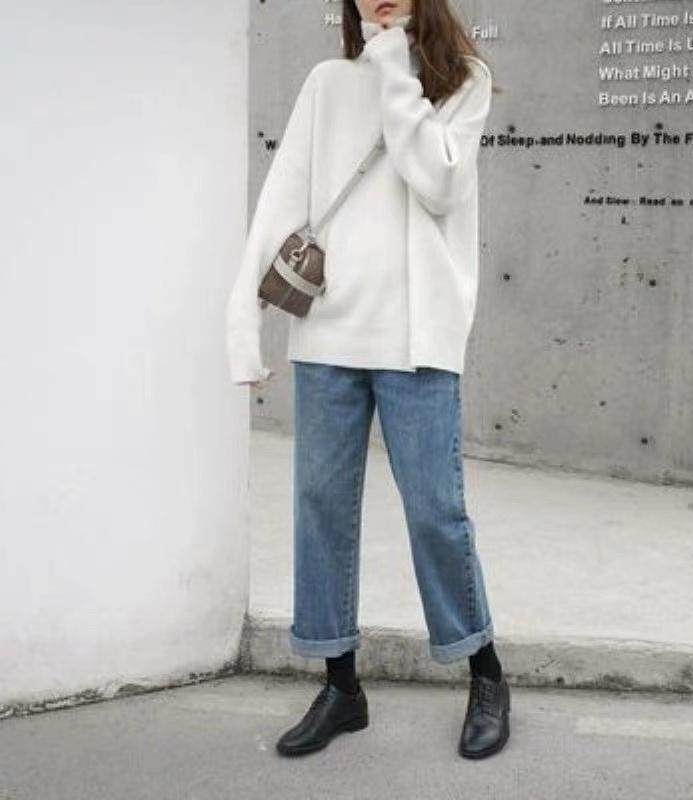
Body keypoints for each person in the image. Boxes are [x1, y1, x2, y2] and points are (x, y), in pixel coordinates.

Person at [225, 0, 510, 759]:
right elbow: (281, 202)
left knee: (436, 514)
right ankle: (341, 687)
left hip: (418, 340)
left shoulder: (463, 81)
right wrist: (243, 321)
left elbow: (438, 183)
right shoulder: (327, 83)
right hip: (329, 334)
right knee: (321, 510)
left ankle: (485, 672)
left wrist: (394, 70)